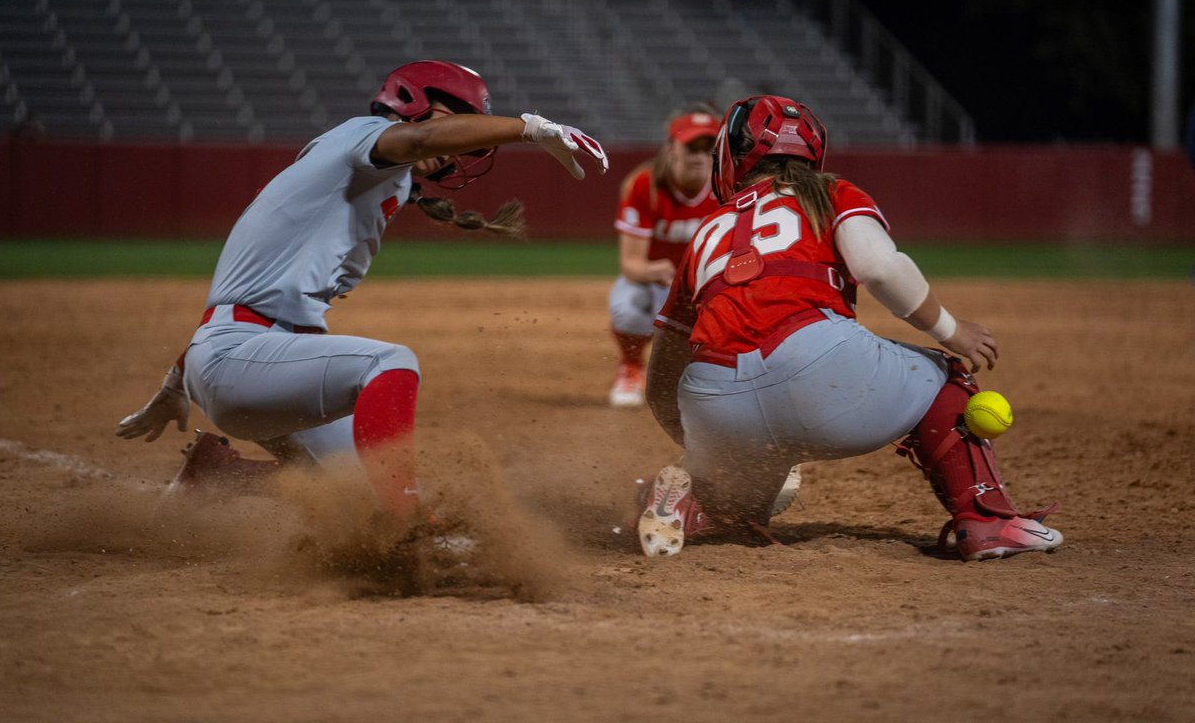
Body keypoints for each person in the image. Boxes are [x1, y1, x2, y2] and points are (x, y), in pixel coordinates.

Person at [116, 59, 608, 526]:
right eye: (458, 120)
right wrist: (530, 127)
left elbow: (249, 300)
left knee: (358, 493)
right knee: (391, 363)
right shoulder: (361, 135)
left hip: (251, 360)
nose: (456, 146)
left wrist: (173, 386)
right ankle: (408, 526)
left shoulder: (365, 177)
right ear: (412, 99)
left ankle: (220, 477)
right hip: (238, 362)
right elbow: (422, 136)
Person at [637, 94, 1062, 562]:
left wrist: (702, 444)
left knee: (744, 499)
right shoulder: (830, 191)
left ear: (733, 156)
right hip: (812, 361)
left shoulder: (706, 232)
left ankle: (690, 500)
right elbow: (880, 268)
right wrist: (950, 329)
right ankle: (987, 520)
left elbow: (663, 370)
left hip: (711, 395)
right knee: (949, 378)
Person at [607, 107, 721, 407]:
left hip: (706, 286)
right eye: (691, 147)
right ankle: (631, 366)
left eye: (708, 148)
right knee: (629, 306)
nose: (700, 155)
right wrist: (658, 272)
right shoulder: (647, 186)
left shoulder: (728, 190)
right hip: (656, 282)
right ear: (671, 148)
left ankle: (711, 378)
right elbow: (630, 264)